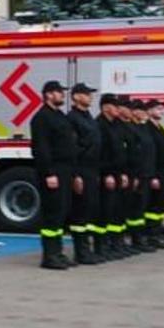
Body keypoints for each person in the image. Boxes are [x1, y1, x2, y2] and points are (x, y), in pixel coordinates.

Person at [29, 80, 77, 270]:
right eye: (59, 92)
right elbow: (41, 148)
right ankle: (49, 256)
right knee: (52, 214)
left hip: (65, 170)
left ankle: (58, 253)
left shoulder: (59, 116)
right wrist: (49, 173)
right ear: (49, 94)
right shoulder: (41, 118)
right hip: (53, 171)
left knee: (61, 213)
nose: (62, 95)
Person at [66, 83, 105, 265]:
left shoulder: (88, 117)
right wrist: (76, 175)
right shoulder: (72, 118)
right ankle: (80, 252)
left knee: (90, 211)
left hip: (92, 170)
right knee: (80, 213)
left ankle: (86, 250)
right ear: (76, 97)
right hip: (81, 170)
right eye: (87, 94)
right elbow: (72, 149)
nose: (90, 97)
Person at [96, 94, 135, 261]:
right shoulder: (100, 125)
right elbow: (101, 153)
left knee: (117, 211)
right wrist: (107, 174)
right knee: (105, 212)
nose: (118, 109)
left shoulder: (116, 125)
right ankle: (102, 246)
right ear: (105, 107)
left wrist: (124, 173)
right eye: (114, 105)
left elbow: (122, 151)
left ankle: (116, 243)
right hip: (108, 174)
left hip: (119, 173)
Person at [123, 99, 158, 255]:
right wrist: (135, 175)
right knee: (134, 210)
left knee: (141, 209)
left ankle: (139, 239)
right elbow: (133, 155)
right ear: (134, 112)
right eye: (141, 110)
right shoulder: (129, 129)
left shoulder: (142, 128)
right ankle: (135, 240)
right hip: (137, 174)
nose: (144, 113)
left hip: (146, 174)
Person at [144, 100, 164, 250]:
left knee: (161, 206)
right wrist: (154, 177)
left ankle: (157, 233)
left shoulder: (160, 128)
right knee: (153, 206)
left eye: (162, 109)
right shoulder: (147, 129)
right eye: (158, 109)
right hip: (156, 173)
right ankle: (151, 235)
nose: (162, 111)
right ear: (149, 111)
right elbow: (150, 155)